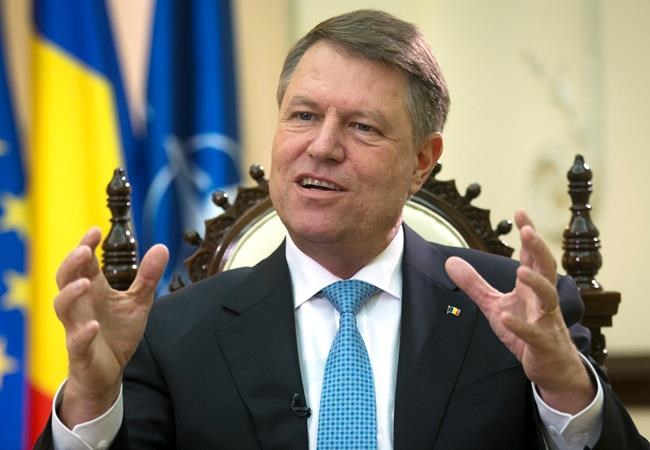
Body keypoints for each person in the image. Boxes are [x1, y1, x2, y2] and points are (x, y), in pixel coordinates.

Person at [36, 9, 647, 450]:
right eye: (303, 116)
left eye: (362, 127)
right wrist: (90, 399)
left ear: (422, 161)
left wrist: (565, 388)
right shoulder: (173, 334)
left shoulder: (512, 311)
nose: (322, 147)